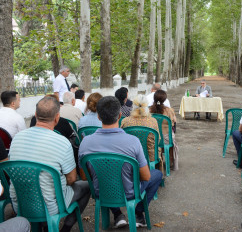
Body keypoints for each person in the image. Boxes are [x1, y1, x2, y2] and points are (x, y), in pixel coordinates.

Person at [79, 96, 163, 228]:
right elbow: (146, 176)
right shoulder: (132, 141)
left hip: (101, 191)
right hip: (129, 192)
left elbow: (84, 176)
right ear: (119, 115)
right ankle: (138, 213)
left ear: (99, 117)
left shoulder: (85, 142)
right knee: (156, 174)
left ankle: (118, 214)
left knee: (106, 177)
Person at [9, 96, 90, 232]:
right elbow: (71, 179)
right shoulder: (62, 143)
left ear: (35, 115)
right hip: (50, 206)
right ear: (57, 118)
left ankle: (44, 225)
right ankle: (66, 228)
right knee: (86, 186)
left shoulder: (17, 138)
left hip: (20, 203)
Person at [121, 95, 160, 162]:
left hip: (130, 156)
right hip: (150, 156)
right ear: (146, 107)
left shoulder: (125, 121)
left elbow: (122, 139)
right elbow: (157, 140)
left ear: (133, 106)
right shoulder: (153, 121)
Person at [149, 90, 179, 171]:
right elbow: (174, 122)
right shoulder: (169, 110)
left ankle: (159, 161)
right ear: (164, 99)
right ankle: (171, 162)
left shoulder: (149, 110)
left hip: (153, 139)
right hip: (166, 138)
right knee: (172, 140)